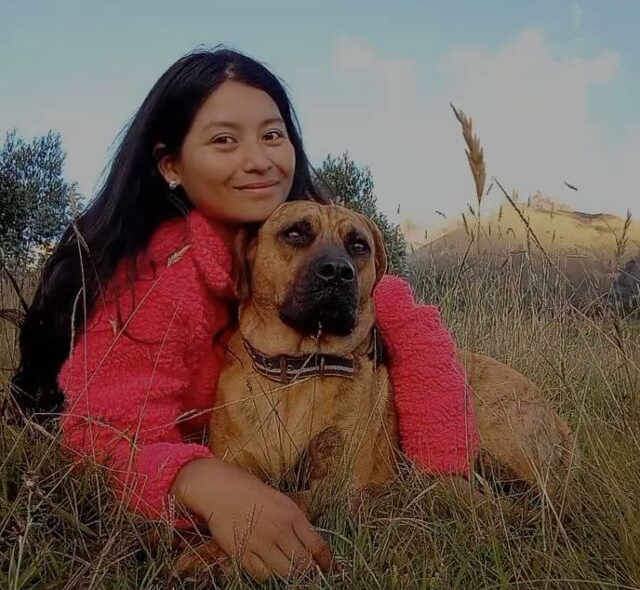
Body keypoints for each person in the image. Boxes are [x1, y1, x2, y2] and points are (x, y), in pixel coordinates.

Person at [13, 47, 478, 582]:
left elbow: (420, 339)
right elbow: (100, 429)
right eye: (224, 140)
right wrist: (197, 480)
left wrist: (444, 471)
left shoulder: (327, 230)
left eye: (272, 135)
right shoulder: (159, 278)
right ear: (171, 165)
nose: (258, 160)